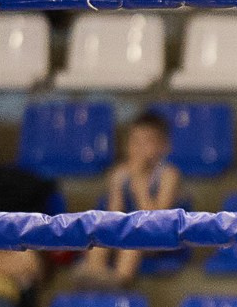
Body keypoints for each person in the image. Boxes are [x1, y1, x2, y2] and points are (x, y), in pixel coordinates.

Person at [74, 113, 184, 289]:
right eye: (134, 142)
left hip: (159, 237)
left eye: (146, 142)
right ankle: (94, 275)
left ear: (163, 146)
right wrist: (117, 187)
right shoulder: (120, 173)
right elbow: (113, 215)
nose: (139, 149)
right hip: (126, 232)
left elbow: (156, 220)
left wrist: (139, 181)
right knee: (100, 234)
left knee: (133, 239)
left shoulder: (168, 175)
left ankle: (119, 281)